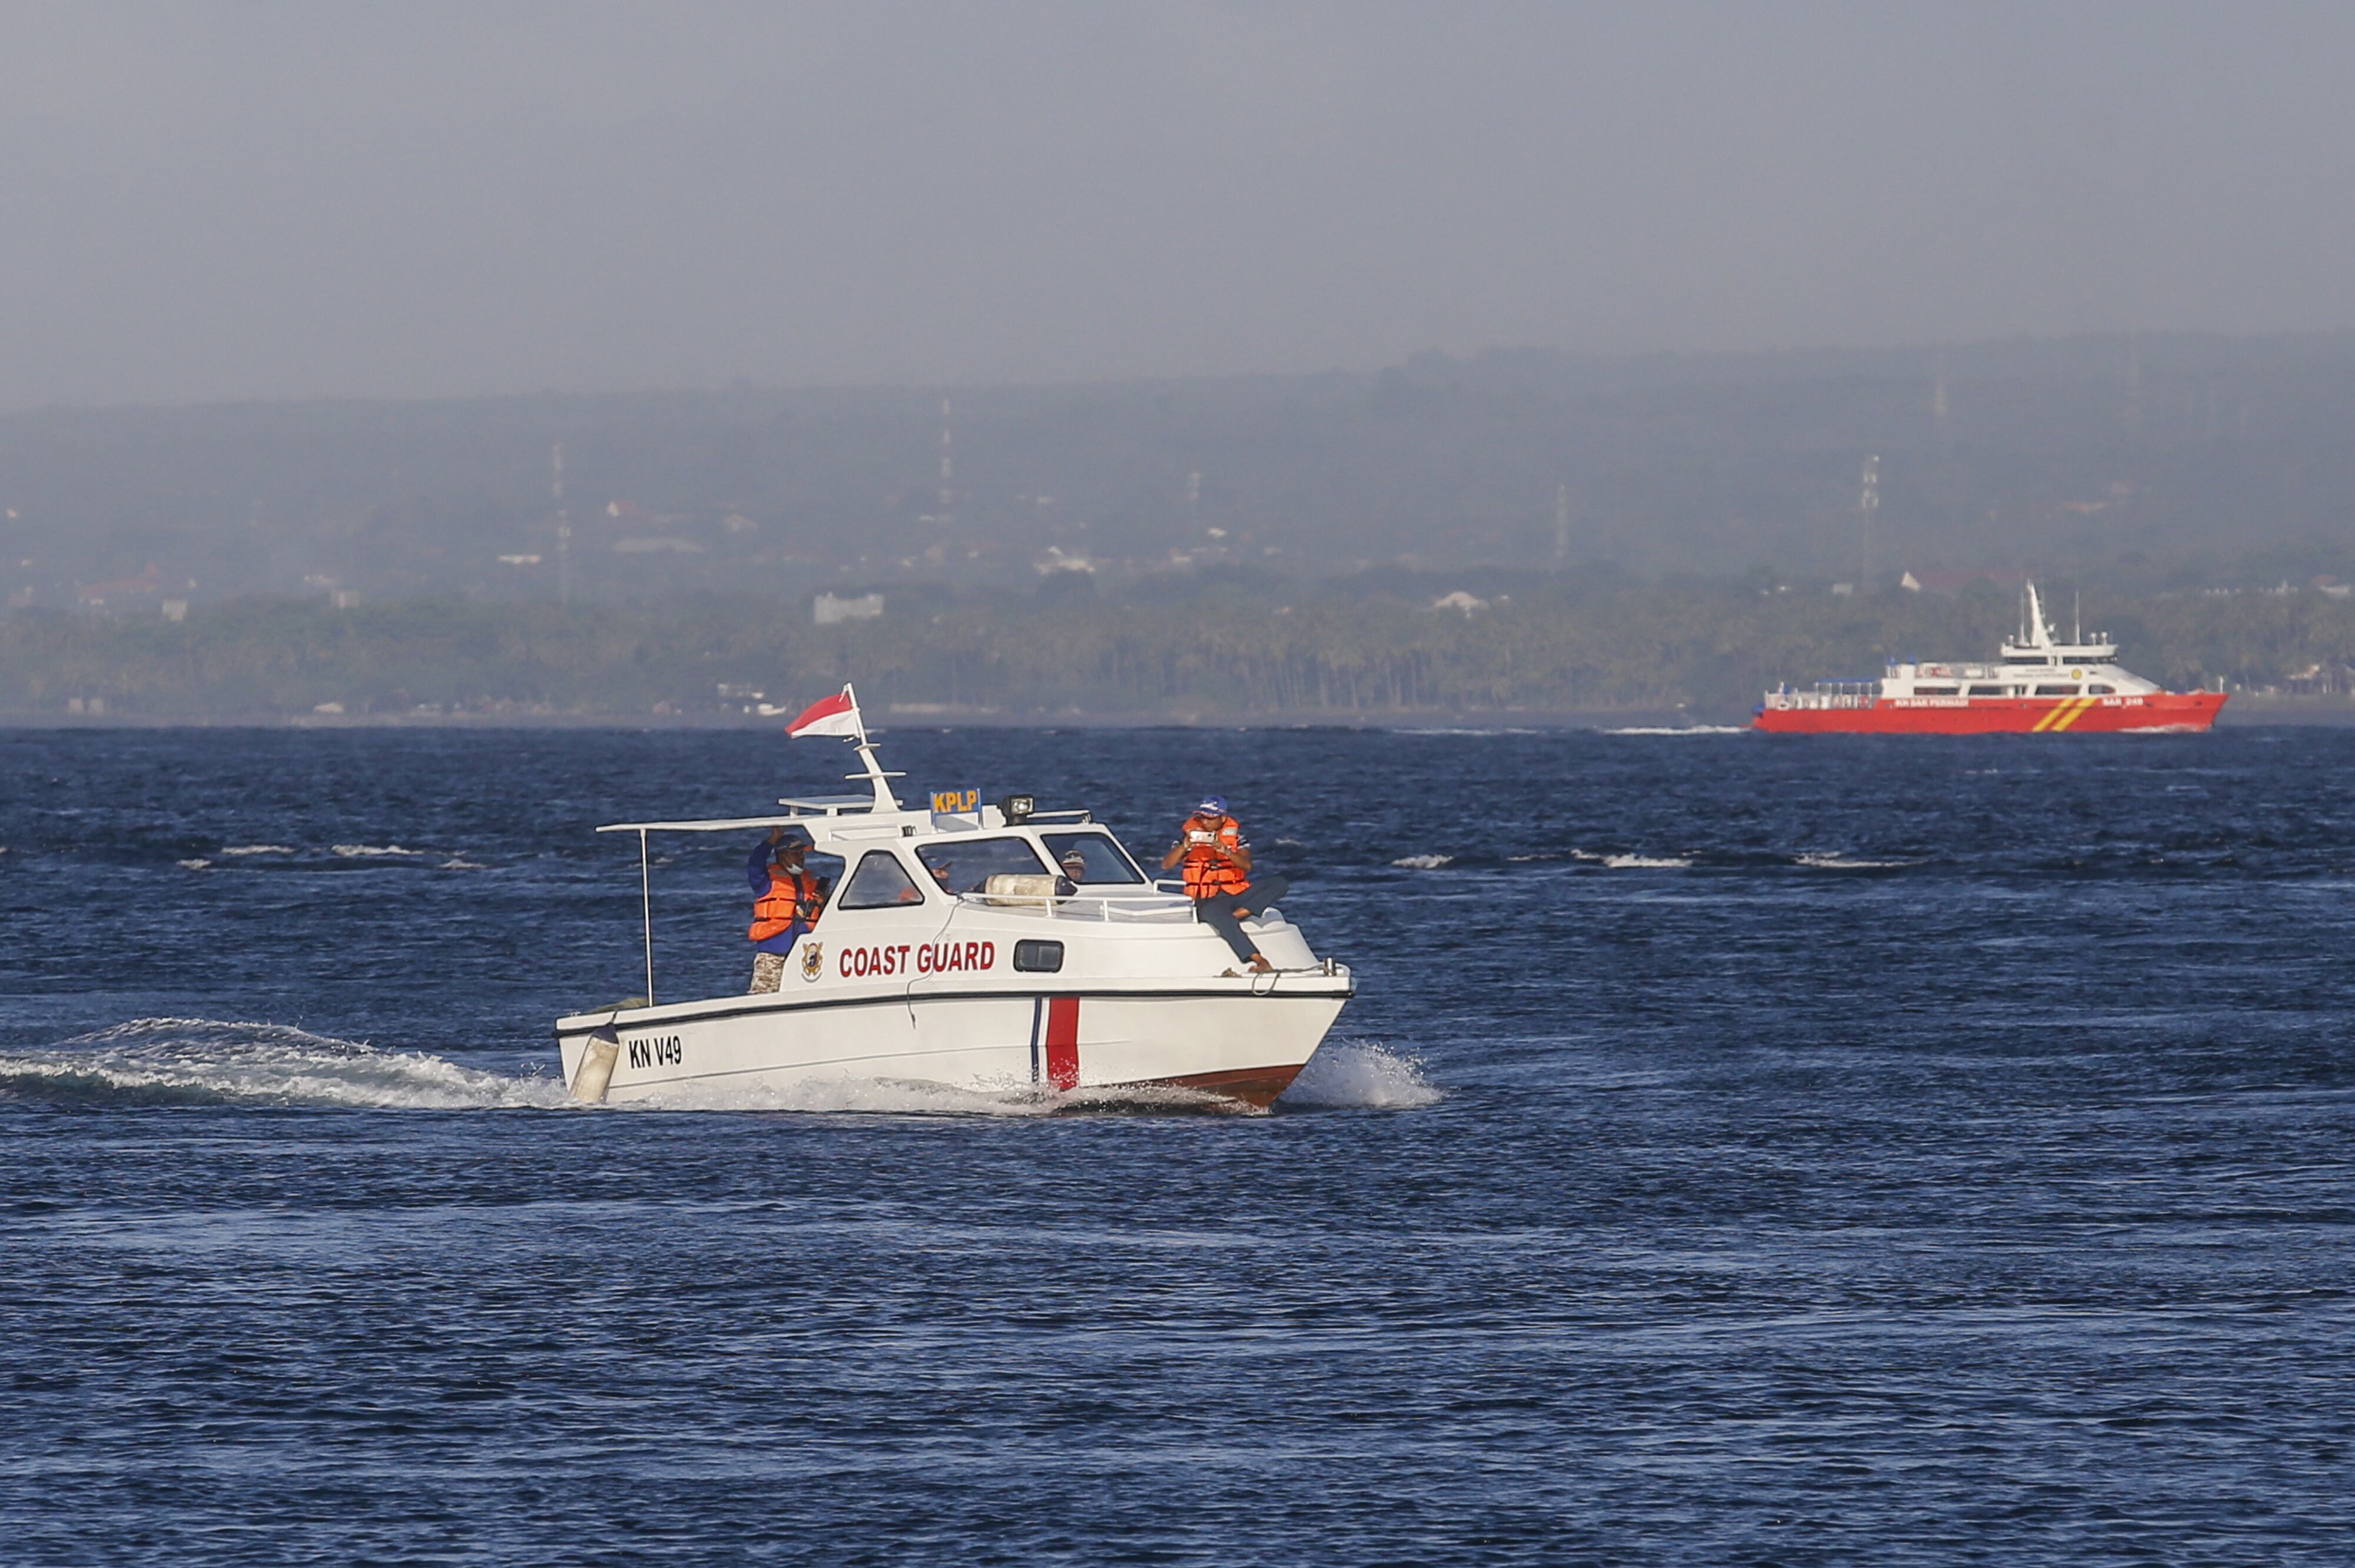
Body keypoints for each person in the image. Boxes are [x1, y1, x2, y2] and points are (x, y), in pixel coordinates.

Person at [1161, 794, 1290, 974]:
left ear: (1222, 818)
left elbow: (1246, 865)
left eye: (1210, 818)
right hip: (1208, 898)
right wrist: (1185, 846)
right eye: (1202, 817)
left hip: (1236, 893)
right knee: (1215, 913)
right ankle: (1259, 960)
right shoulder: (1189, 836)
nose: (1205, 822)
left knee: (1279, 883)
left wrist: (1225, 850)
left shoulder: (1236, 838)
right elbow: (1166, 865)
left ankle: (1236, 915)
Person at [747, 826, 827, 992]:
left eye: (802, 853)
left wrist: (823, 903)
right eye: (795, 854)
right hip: (773, 954)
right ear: (782, 855)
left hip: (804, 954)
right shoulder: (766, 882)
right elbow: (755, 865)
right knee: (763, 998)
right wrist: (772, 840)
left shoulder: (811, 884)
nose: (801, 857)